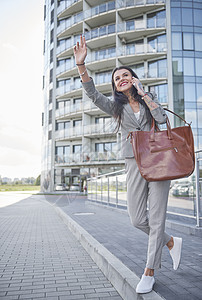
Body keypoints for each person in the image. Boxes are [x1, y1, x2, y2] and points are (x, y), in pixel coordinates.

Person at [73, 35, 182, 294]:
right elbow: (92, 94)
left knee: (156, 219)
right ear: (116, 86)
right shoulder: (116, 108)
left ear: (133, 79)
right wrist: (81, 66)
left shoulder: (147, 98)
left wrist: (144, 94)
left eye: (125, 75)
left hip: (158, 163)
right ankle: (169, 242)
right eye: (116, 78)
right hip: (134, 162)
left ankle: (149, 271)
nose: (120, 79)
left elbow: (163, 118)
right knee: (136, 219)